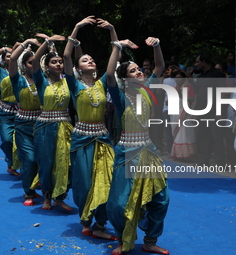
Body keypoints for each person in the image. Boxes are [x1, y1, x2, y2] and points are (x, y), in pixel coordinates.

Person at [106, 37, 170, 255]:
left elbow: (160, 66)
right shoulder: (121, 97)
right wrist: (117, 47)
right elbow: (109, 76)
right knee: (118, 203)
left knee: (161, 200)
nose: (139, 72)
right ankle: (124, 238)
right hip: (126, 153)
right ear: (124, 79)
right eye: (133, 71)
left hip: (148, 151)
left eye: (140, 69)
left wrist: (157, 45)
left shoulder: (147, 90)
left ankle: (150, 240)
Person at [63, 16, 117, 240]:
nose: (90, 60)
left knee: (107, 180)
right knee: (84, 182)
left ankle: (101, 224)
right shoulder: (74, 84)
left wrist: (113, 32)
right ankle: (85, 219)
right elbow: (66, 54)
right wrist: (76, 27)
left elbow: (115, 59)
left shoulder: (104, 82)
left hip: (103, 139)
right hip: (81, 138)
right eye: (85, 59)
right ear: (78, 68)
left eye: (92, 59)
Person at [31, 33, 73, 210]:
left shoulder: (69, 81)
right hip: (45, 127)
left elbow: (72, 59)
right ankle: (47, 196)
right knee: (47, 162)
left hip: (65, 126)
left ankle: (60, 196)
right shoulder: (41, 81)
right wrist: (48, 43)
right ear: (47, 66)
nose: (58, 64)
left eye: (60, 62)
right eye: (53, 62)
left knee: (65, 163)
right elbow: (34, 62)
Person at [9, 38, 42, 206]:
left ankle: (42, 188)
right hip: (23, 126)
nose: (34, 65)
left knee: (42, 158)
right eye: (30, 62)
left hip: (42, 124)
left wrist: (49, 45)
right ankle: (28, 192)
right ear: (24, 65)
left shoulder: (43, 79)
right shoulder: (18, 80)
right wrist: (26, 42)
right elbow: (13, 59)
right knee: (28, 159)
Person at [0, 44, 21, 177]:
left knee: (22, 141)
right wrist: (4, 49)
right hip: (4, 113)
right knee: (7, 140)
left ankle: (26, 168)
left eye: (14, 55)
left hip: (22, 112)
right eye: (8, 56)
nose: (12, 57)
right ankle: (11, 161)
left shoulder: (22, 72)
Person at [193, 52, 226, 166]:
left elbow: (222, 93)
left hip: (214, 111)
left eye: (197, 61)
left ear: (203, 62)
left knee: (217, 136)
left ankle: (220, 163)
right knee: (202, 135)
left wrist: (219, 111)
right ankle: (204, 161)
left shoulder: (217, 74)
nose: (196, 64)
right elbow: (198, 94)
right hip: (202, 111)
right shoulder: (201, 76)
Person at [170, 71, 197, 161]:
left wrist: (182, 93)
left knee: (185, 133)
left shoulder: (188, 87)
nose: (178, 79)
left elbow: (193, 99)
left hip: (185, 112)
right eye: (176, 78)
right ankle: (178, 155)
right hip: (175, 112)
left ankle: (188, 155)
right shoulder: (174, 88)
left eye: (180, 77)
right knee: (176, 132)